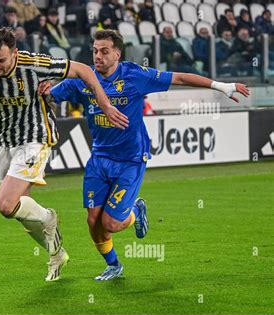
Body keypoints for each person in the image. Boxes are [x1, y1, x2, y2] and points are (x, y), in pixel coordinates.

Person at [39, 29, 249, 280]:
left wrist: (221, 86)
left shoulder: (135, 75)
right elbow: (50, 96)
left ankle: (136, 211)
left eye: (104, 51)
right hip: (99, 159)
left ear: (117, 53)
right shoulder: (83, 79)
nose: (98, 56)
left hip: (130, 159)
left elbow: (179, 78)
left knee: (111, 224)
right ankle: (114, 266)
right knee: (93, 220)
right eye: (95, 51)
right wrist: (44, 89)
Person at [0, 27, 127, 281]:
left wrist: (105, 104)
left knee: (4, 204)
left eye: (1, 60)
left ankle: (49, 218)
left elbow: (83, 70)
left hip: (35, 139)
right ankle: (57, 253)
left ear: (14, 53)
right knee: (18, 211)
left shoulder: (35, 64)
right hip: (5, 141)